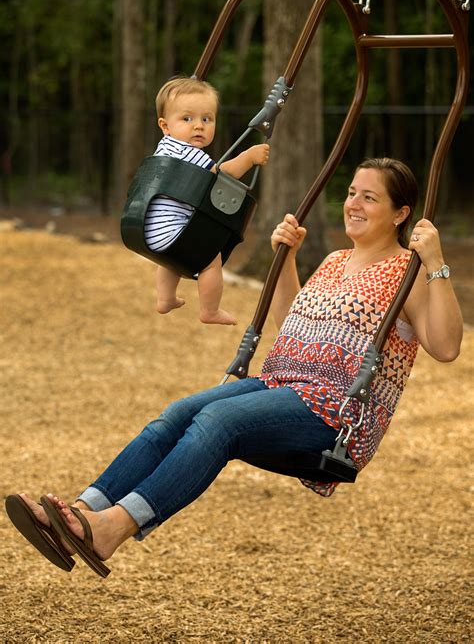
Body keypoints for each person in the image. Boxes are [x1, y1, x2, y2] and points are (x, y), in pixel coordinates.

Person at [5, 157, 462, 578]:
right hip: (279, 385)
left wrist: (436, 262)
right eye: (351, 193)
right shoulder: (334, 260)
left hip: (334, 411)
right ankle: (81, 512)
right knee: (177, 413)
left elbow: (445, 346)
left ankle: (112, 529)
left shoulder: (409, 271)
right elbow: (292, 323)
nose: (353, 204)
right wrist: (285, 261)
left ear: (401, 214)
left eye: (369, 197)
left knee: (216, 421)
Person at [144, 76, 270, 325]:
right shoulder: (189, 154)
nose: (198, 126)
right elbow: (221, 174)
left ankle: (165, 298)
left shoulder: (165, 147)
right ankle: (210, 310)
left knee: (172, 259)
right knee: (212, 259)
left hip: (149, 231)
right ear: (165, 125)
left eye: (206, 119)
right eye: (187, 119)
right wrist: (249, 157)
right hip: (173, 231)